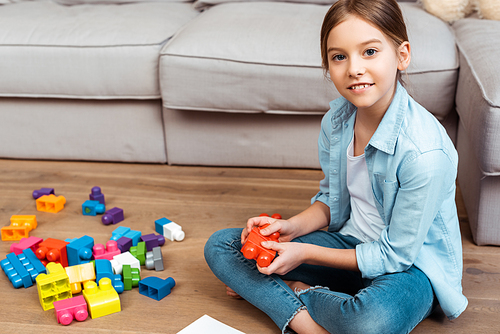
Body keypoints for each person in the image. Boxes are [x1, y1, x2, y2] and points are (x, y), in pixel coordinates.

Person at [204, 0, 468, 332]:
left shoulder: (426, 153)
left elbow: (394, 256)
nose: (354, 68)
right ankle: (308, 322)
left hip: (410, 269)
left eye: (369, 52)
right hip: (350, 245)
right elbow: (331, 200)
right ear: (328, 65)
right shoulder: (337, 121)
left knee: (370, 322)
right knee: (222, 245)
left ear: (402, 56)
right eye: (339, 57)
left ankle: (288, 295)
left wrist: (303, 255)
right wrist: (291, 228)